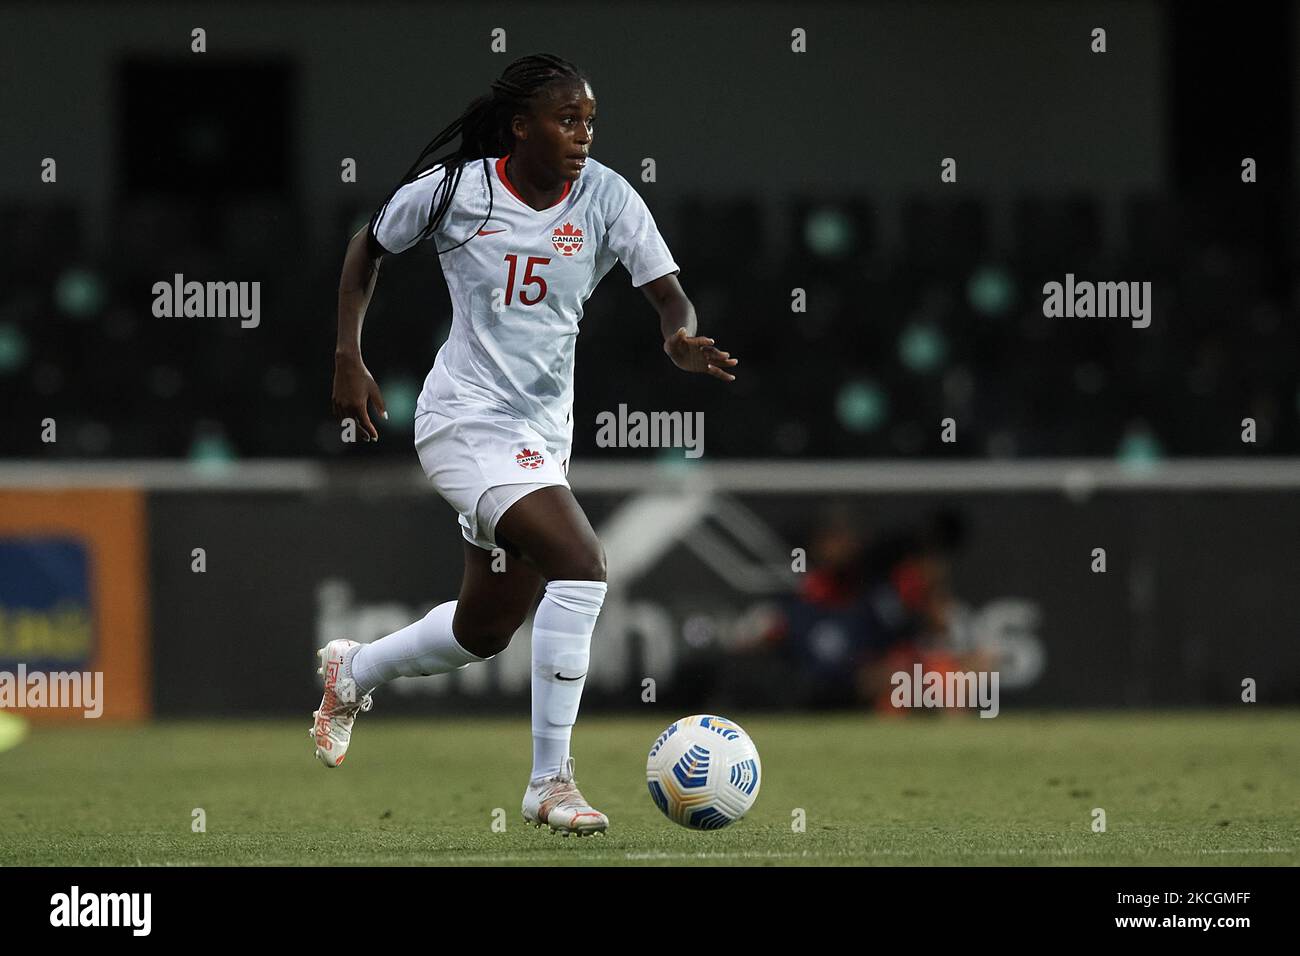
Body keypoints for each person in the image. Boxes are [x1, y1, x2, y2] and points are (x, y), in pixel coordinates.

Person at [312, 53, 738, 837]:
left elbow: (667, 291)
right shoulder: (458, 191)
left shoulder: (608, 194)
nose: (583, 135)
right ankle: (550, 781)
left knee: (485, 629)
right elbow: (367, 246)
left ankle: (354, 670)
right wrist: (349, 354)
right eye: (567, 120)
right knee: (582, 562)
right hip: (462, 421)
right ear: (521, 126)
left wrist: (679, 339)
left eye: (589, 122)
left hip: (542, 436)